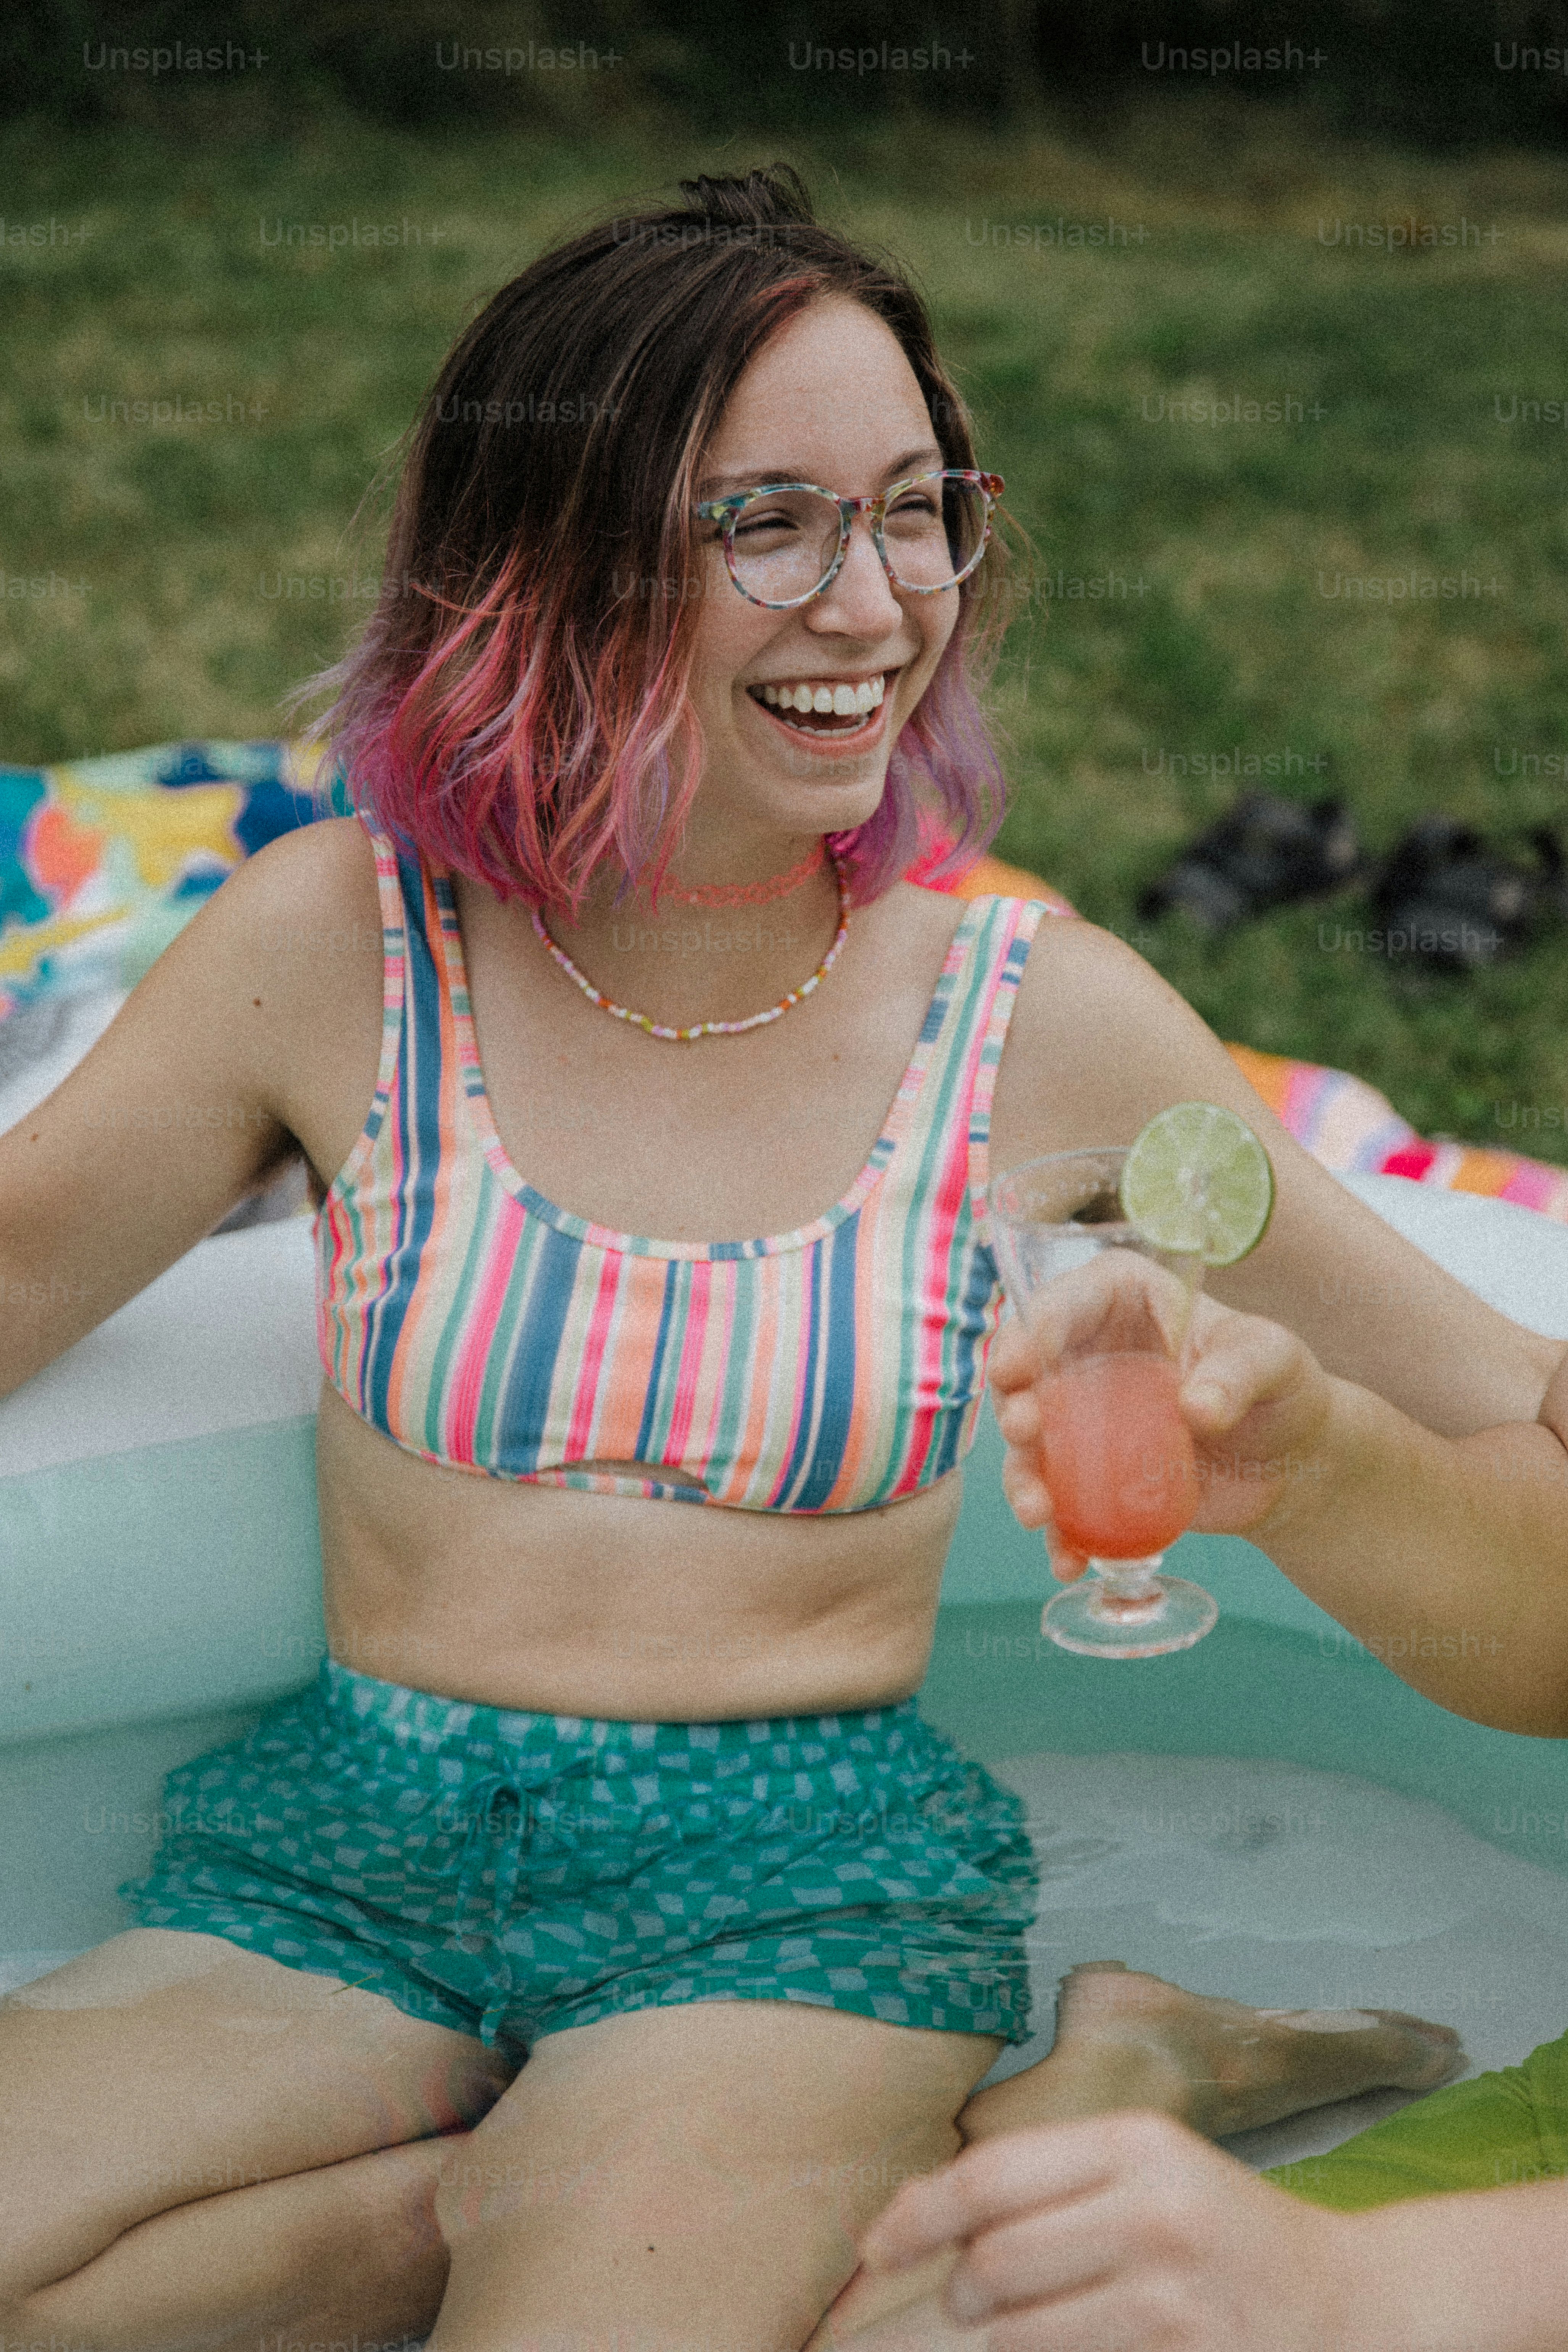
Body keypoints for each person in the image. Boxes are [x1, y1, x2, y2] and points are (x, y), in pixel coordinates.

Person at [0, 162, 1563, 2352]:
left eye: (919, 510)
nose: (877, 602)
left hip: (790, 1892)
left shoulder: (1043, 1023)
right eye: (772, 524)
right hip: (334, 1858)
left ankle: (889, 2133)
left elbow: (1510, 1386)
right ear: (542, 565)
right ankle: (591, 2185)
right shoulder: (334, 947)